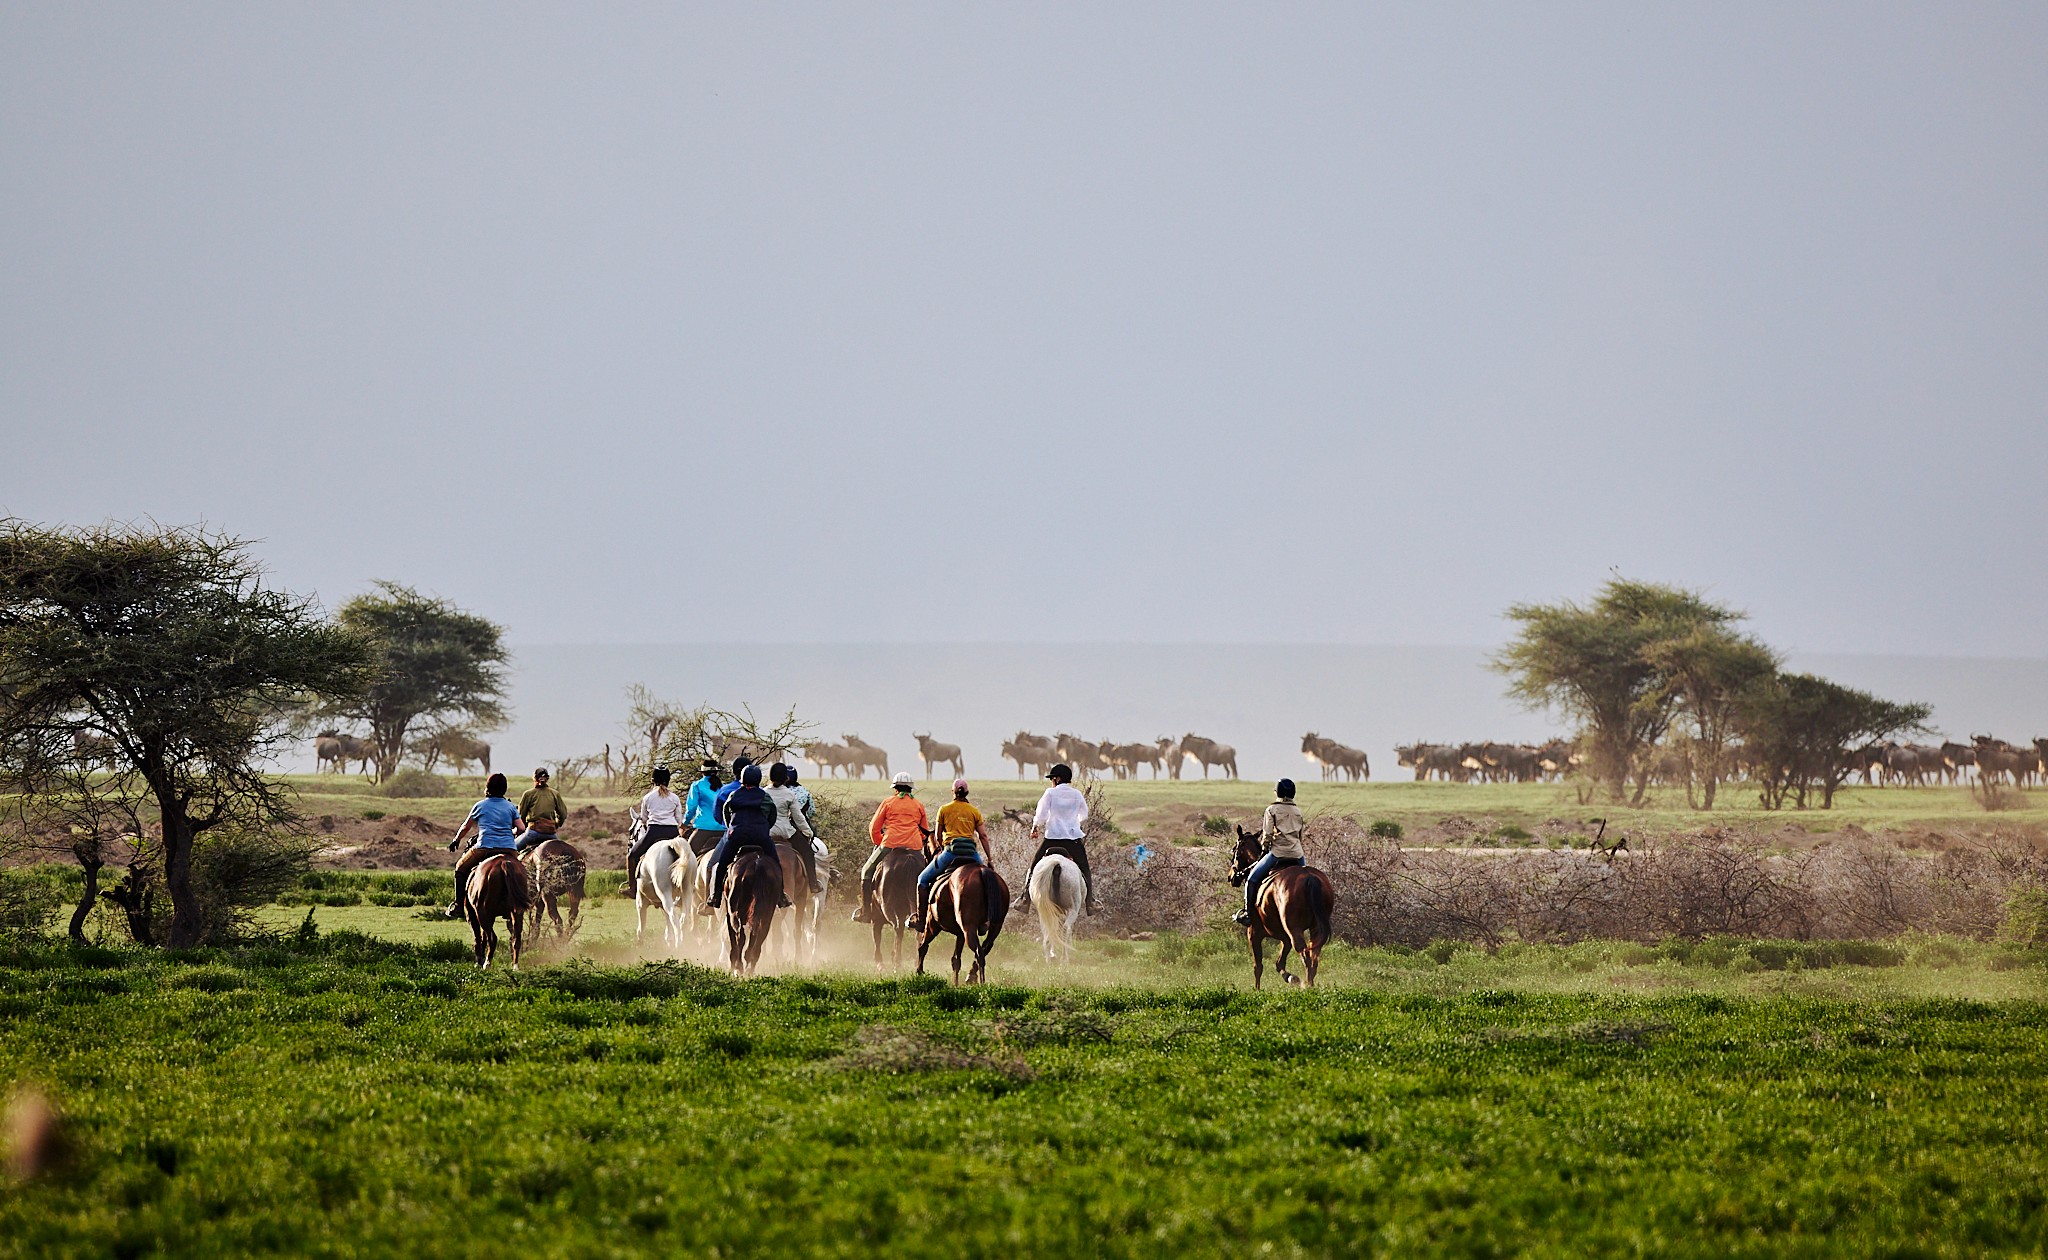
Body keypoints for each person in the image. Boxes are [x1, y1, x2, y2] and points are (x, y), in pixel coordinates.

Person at [443, 772, 526, 919]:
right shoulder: (511, 807)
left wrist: (456, 840)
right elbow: (521, 828)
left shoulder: (480, 805)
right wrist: (511, 832)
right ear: (504, 789)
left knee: (460, 868)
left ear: (488, 788)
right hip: (509, 848)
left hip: (485, 847)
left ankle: (458, 905)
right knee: (523, 872)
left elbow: (466, 827)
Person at [701, 763, 781, 913]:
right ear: (758, 779)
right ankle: (781, 896)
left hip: (737, 836)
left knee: (722, 865)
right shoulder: (764, 796)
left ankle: (716, 896)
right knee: (776, 863)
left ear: (742, 779)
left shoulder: (734, 794)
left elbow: (726, 813)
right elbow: (772, 815)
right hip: (760, 836)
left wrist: (731, 828)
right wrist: (764, 828)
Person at [912, 779, 988, 931]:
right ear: (967, 793)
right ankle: (985, 920)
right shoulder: (974, 811)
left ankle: (921, 920)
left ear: (953, 792)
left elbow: (938, 835)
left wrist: (942, 848)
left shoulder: (944, 809)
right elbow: (983, 836)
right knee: (986, 881)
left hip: (951, 852)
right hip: (972, 854)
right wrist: (990, 859)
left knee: (922, 880)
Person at [853, 771, 929, 923]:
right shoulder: (918, 805)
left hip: (890, 844)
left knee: (866, 870)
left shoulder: (888, 802)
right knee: (929, 875)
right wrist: (917, 841)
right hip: (914, 846)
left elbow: (874, 827)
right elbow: (924, 830)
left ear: (895, 788)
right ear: (911, 789)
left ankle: (866, 911)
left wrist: (879, 841)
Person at [1234, 778, 1306, 926]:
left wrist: (1264, 848)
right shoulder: (1298, 811)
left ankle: (1248, 914)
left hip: (1278, 854)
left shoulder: (1272, 810)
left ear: (1277, 792)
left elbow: (1267, 835)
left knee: (1251, 880)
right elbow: (1300, 837)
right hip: (1297, 855)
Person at [1028, 763, 1094, 914]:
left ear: (1057, 779)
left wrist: (1035, 826)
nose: (1051, 781)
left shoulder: (1050, 793)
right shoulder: (1077, 794)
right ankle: (1090, 902)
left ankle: (1024, 898)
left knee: (1034, 865)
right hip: (1072, 840)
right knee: (1085, 868)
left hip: (1052, 838)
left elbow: (1041, 814)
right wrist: (1073, 823)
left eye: (1052, 778)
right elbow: (1084, 815)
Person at [623, 766, 686, 893]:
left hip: (654, 832)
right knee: (687, 856)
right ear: (668, 780)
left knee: (632, 856)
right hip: (672, 833)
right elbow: (679, 819)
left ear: (653, 781)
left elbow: (644, 819)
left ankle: (632, 888)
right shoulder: (674, 798)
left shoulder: (648, 797)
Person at [765, 762, 825, 894]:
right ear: (785, 778)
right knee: (808, 853)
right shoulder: (788, 794)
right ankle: (813, 883)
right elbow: (798, 817)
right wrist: (808, 832)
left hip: (766, 833)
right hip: (786, 832)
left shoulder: (764, 792)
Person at [518, 765, 567, 853]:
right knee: (563, 854)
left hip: (533, 832)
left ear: (534, 778)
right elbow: (563, 814)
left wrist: (522, 828)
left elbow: (521, 816)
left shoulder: (528, 794)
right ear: (547, 778)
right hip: (551, 833)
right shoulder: (555, 794)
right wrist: (556, 824)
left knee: (512, 847)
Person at [683, 759, 726, 857]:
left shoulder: (696, 785)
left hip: (704, 828)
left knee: (687, 856)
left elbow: (692, 808)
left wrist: (684, 824)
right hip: (722, 829)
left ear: (702, 772)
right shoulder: (724, 788)